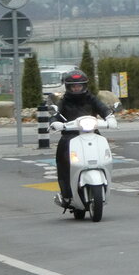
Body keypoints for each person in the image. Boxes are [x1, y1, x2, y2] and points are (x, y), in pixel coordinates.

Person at [52, 69, 113, 207]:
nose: (76, 88)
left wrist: (110, 116)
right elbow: (56, 114)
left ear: (84, 86)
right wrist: (54, 122)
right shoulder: (64, 101)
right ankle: (66, 193)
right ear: (68, 87)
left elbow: (102, 108)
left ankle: (106, 180)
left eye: (79, 85)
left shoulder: (91, 98)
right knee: (62, 157)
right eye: (73, 86)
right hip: (70, 136)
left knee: (104, 151)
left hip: (92, 133)